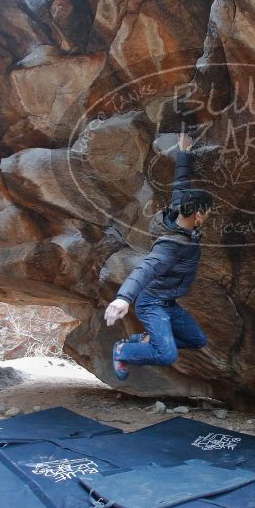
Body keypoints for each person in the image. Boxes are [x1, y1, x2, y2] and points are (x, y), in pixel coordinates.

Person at [104, 132, 213, 380]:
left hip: (168, 302)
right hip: (152, 303)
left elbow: (181, 184)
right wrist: (123, 298)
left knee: (197, 340)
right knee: (166, 355)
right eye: (207, 212)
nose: (208, 216)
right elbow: (147, 268)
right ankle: (123, 350)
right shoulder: (171, 245)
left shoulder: (177, 211)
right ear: (197, 215)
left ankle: (145, 340)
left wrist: (184, 152)